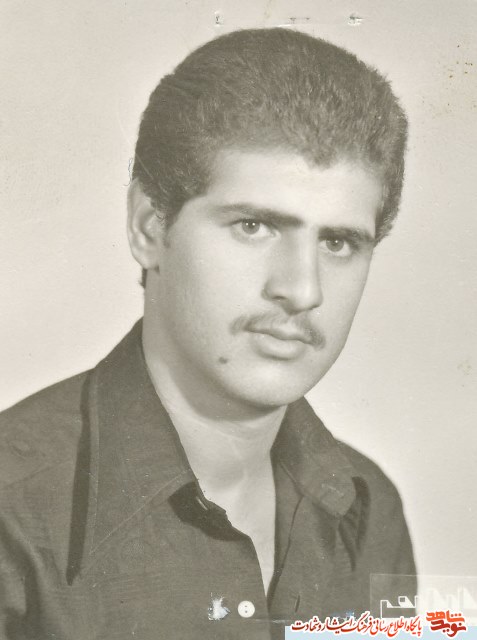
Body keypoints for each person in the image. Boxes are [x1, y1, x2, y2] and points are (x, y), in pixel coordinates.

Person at [0, 28, 416, 640]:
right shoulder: (11, 513)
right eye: (253, 226)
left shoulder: (369, 506)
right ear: (149, 228)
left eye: (338, 242)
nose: (303, 290)